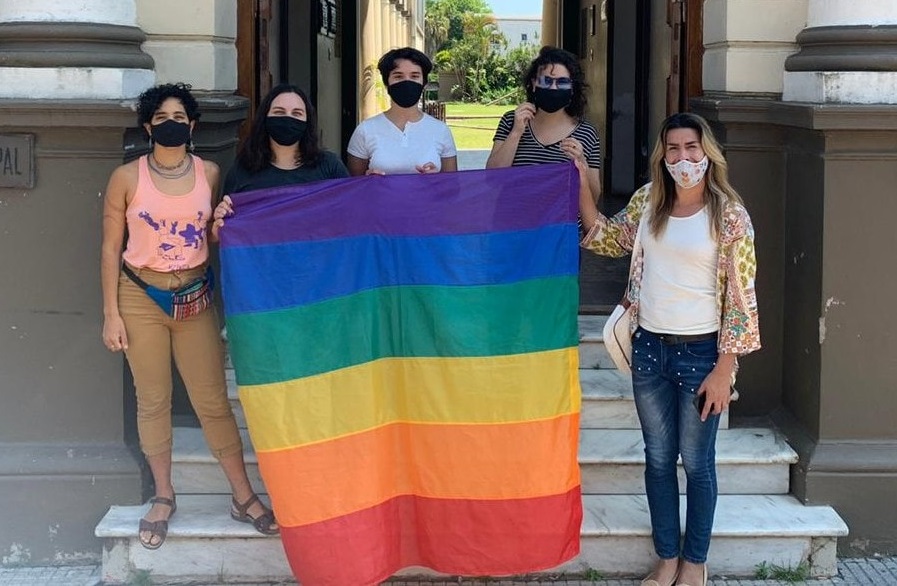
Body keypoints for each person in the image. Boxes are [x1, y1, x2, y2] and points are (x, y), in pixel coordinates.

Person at [578, 113, 760, 586]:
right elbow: (606, 238)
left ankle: (695, 562)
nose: (683, 158)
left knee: (697, 463)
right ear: (663, 156)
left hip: (702, 355)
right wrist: (579, 179)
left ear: (708, 154)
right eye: (673, 149)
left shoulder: (730, 215)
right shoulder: (648, 202)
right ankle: (666, 559)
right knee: (658, 459)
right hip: (650, 350)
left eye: (691, 148)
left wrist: (724, 369)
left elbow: (741, 298)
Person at [100, 83, 278, 550]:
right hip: (140, 295)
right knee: (152, 399)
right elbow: (110, 248)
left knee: (212, 400)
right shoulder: (126, 178)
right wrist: (110, 314)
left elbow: (215, 233)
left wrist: (221, 223)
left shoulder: (210, 173)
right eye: (161, 118)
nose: (171, 124)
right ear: (147, 126)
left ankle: (242, 495)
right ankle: (164, 495)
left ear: (193, 125)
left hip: (194, 295)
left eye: (179, 117)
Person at [486, 45, 601, 201]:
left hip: (561, 217)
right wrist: (516, 133)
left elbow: (594, 197)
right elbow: (492, 179)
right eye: (546, 81)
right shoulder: (511, 121)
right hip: (512, 215)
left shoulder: (587, 133)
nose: (553, 87)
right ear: (534, 83)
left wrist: (581, 161)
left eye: (562, 82)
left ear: (572, 88)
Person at [220, 83, 349, 198]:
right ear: (265, 118)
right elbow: (229, 212)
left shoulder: (330, 167)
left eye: (297, 113)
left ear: (307, 121)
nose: (288, 118)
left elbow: (349, 207)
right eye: (279, 112)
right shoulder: (242, 169)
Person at [346, 47, 457, 176]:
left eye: (414, 76)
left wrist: (435, 179)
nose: (407, 82)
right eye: (398, 76)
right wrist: (369, 180)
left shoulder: (441, 130)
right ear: (387, 83)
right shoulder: (365, 130)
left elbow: (452, 184)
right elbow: (353, 183)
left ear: (424, 83)